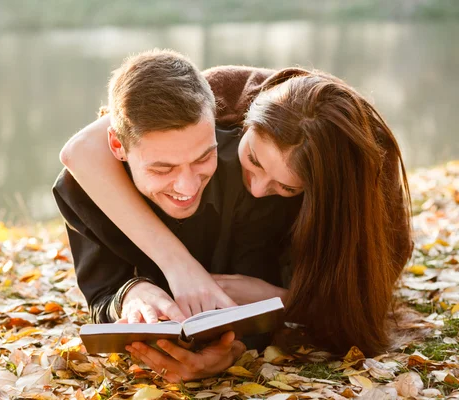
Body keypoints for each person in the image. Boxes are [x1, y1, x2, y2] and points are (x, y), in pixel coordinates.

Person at [60, 59, 413, 375]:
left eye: (287, 188)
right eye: (254, 160)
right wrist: (177, 268)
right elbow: (81, 151)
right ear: (243, 124)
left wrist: (282, 300)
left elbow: (364, 304)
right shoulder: (216, 97)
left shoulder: (369, 197)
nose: (257, 189)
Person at [53, 50, 295, 372]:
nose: (187, 186)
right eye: (162, 168)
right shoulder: (82, 191)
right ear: (117, 146)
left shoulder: (251, 176)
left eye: (202, 158)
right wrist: (131, 293)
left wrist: (232, 351)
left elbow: (257, 300)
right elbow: (102, 296)